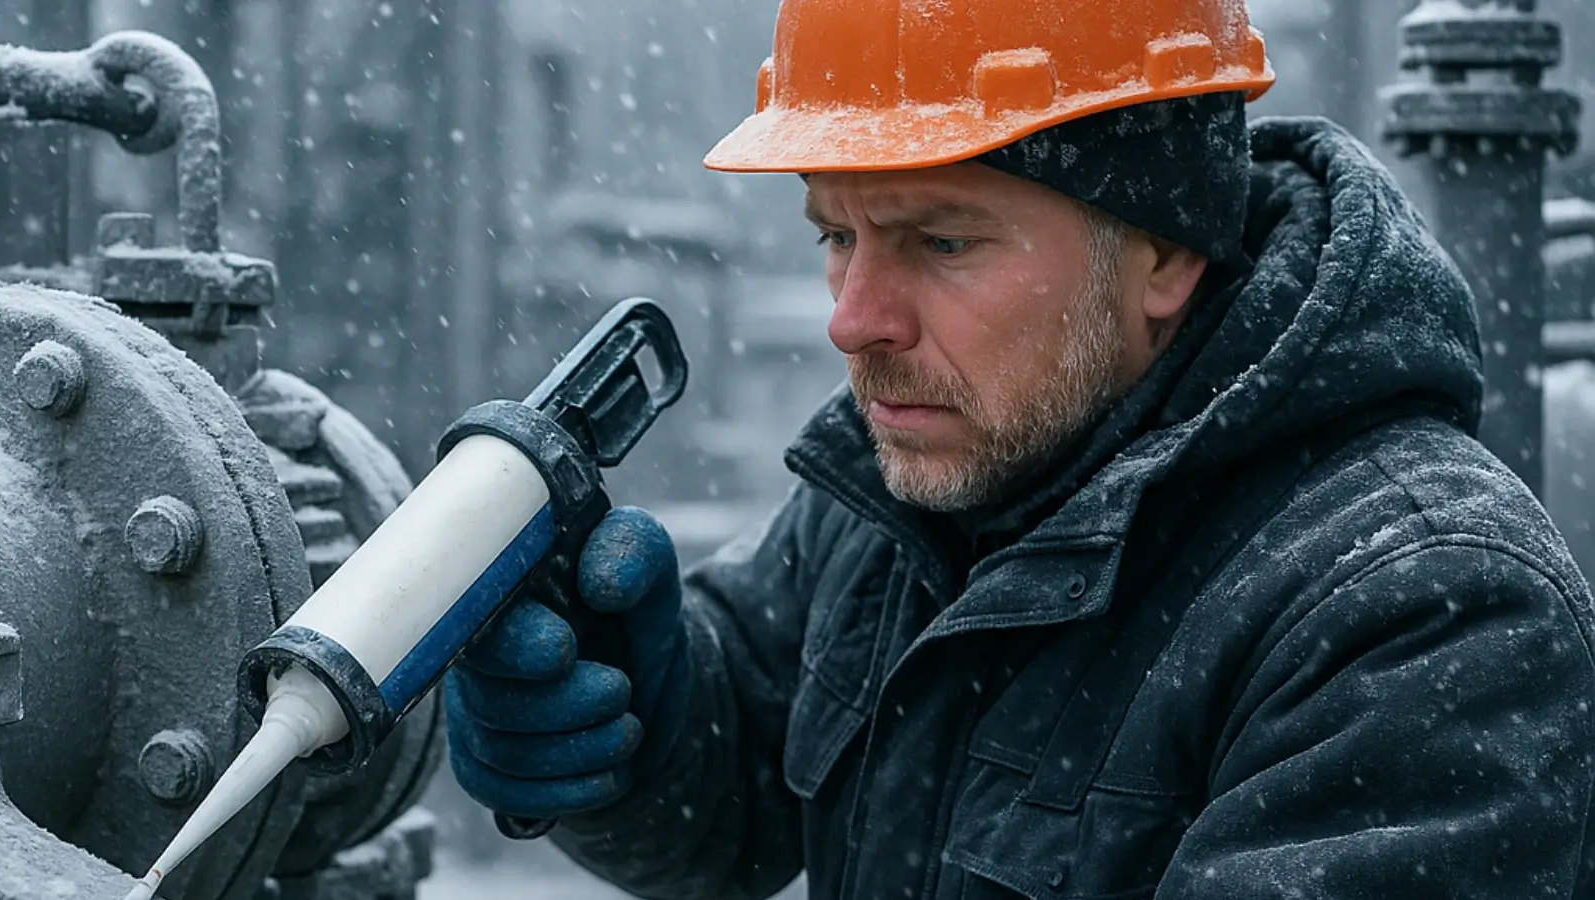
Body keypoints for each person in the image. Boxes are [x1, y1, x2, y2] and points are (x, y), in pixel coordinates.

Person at [443, 0, 1595, 896]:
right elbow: (734, 795)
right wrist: (634, 727)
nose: (853, 319)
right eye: (836, 234)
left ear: (1162, 251)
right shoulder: (918, 482)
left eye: (941, 240)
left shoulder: (1422, 614)